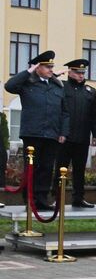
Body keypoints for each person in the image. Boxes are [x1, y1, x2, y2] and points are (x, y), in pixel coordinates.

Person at [4, 49, 65, 211]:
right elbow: (9, 86)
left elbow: (64, 112)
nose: (51, 70)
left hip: (52, 133)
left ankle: (42, 200)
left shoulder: (57, 86)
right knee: (32, 167)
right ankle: (29, 199)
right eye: (47, 67)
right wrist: (28, 71)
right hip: (33, 133)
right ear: (37, 68)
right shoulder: (27, 83)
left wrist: (63, 132)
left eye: (52, 67)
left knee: (46, 168)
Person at [54, 57, 96, 209]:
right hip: (64, 136)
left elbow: (94, 115)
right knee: (61, 168)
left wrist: (95, 135)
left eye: (83, 72)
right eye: (77, 72)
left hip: (82, 136)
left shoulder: (90, 91)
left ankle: (78, 198)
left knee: (80, 170)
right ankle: (57, 198)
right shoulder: (62, 87)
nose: (81, 75)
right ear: (70, 72)